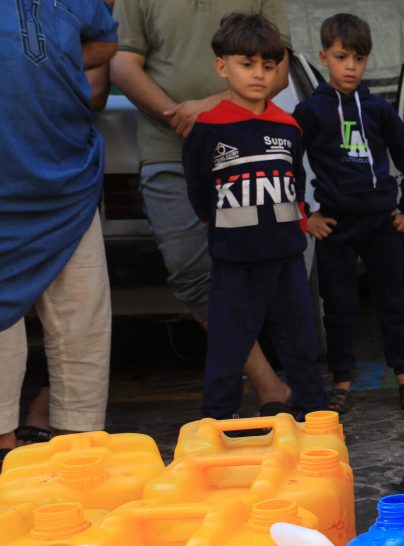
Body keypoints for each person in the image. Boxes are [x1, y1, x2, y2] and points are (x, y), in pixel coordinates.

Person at [111, 0, 296, 414]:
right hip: (168, 150)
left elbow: (279, 67)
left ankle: (273, 391)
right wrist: (181, 116)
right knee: (191, 271)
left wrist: (212, 109)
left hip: (249, 147)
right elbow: (123, 65)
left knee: (272, 268)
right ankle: (268, 385)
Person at [182, 13, 326, 420]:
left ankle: (316, 422)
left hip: (287, 261)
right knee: (228, 351)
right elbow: (198, 189)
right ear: (222, 66)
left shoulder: (289, 127)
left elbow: (295, 183)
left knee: (302, 345)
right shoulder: (207, 128)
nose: (259, 75)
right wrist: (225, 229)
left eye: (268, 65)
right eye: (247, 65)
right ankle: (217, 427)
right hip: (234, 264)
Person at [294, 14, 404, 413]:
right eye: (341, 57)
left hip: (383, 224)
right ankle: (341, 382)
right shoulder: (309, 112)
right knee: (338, 307)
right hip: (334, 225)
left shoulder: (378, 109)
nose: (350, 66)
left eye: (359, 58)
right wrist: (307, 216)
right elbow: (285, 166)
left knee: (395, 302)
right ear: (324, 57)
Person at [0, 0, 118, 457]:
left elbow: (105, 41)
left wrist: (58, 53)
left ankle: (80, 450)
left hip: (68, 178)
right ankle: (6, 453)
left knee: (82, 318)